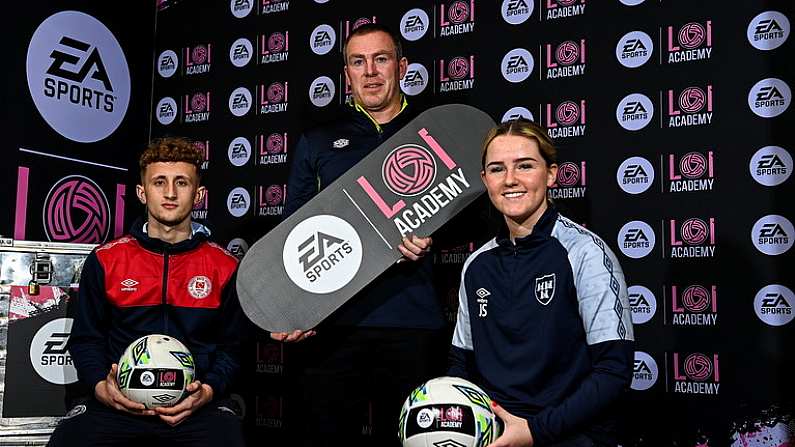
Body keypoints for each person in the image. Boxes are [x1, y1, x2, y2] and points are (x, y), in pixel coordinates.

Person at [279, 23, 446, 446]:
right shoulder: (318, 141)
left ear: (402, 66)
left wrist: (431, 235)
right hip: (335, 326)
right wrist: (297, 311)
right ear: (347, 74)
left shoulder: (434, 132)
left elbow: (467, 214)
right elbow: (292, 233)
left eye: (381, 58)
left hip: (411, 322)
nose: (370, 71)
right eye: (358, 61)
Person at [48, 137, 246, 447]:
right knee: (69, 439)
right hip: (118, 407)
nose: (169, 193)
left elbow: (232, 350)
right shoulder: (106, 259)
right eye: (159, 182)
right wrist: (103, 388)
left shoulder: (225, 266)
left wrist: (206, 392)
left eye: (182, 182)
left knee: (228, 439)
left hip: (195, 410)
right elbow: (86, 339)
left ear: (199, 194)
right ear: (142, 192)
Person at [449, 119, 635, 447]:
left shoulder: (585, 252)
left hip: (568, 433)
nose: (510, 180)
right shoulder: (476, 265)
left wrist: (536, 432)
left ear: (550, 174)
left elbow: (613, 370)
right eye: (496, 169)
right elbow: (461, 363)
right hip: (494, 435)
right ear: (484, 180)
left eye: (525, 166)